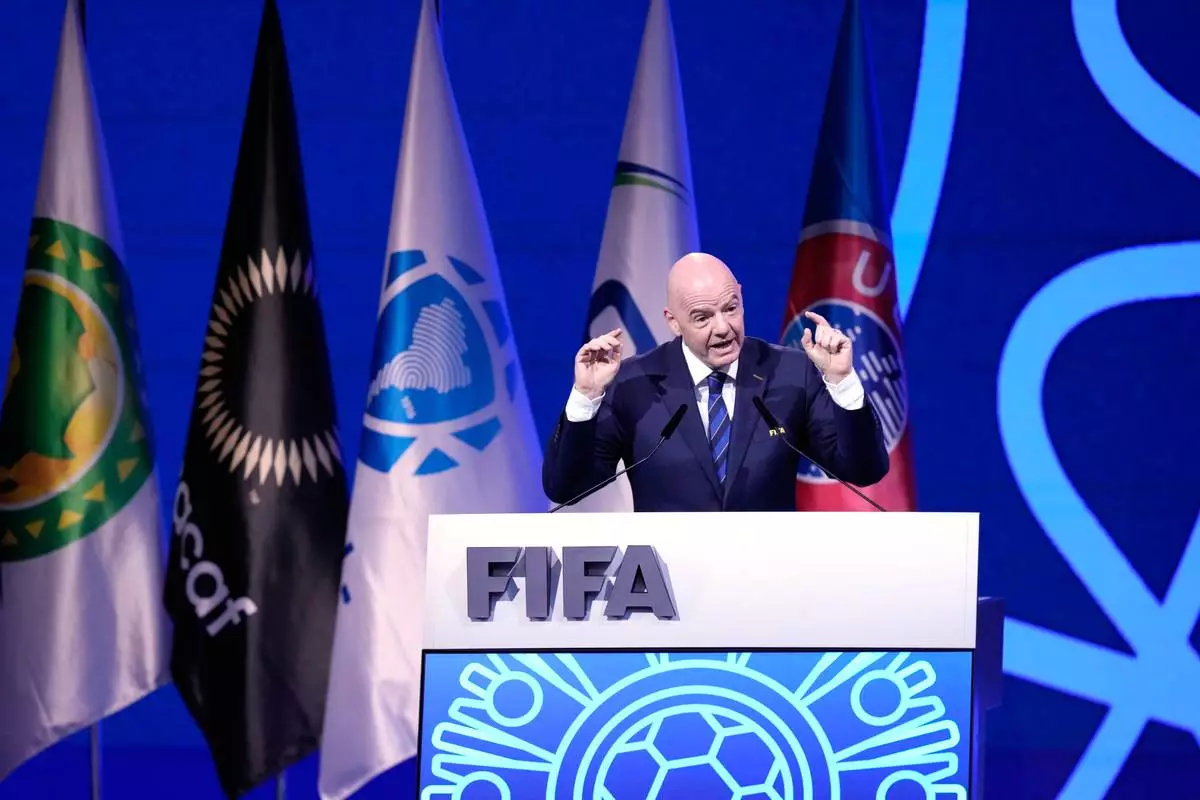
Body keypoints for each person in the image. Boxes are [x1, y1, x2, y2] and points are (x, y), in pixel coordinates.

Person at [542, 252, 889, 512]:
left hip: (770, 574)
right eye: (702, 317)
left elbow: (863, 470)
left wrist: (842, 381)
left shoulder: (791, 371)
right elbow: (565, 488)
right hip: (670, 579)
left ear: (741, 297)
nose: (723, 328)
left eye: (730, 308)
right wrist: (586, 396)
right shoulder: (634, 383)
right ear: (673, 322)